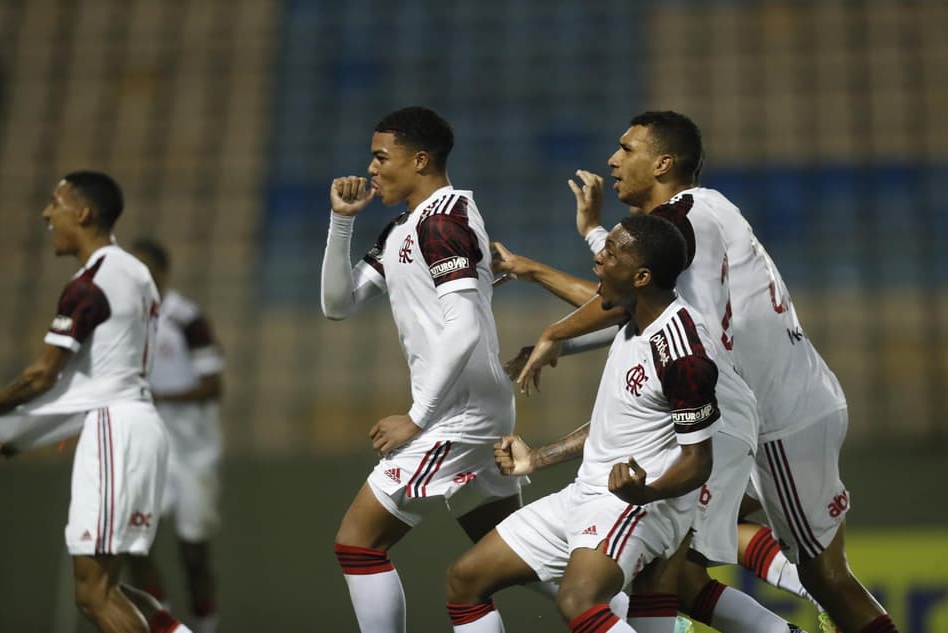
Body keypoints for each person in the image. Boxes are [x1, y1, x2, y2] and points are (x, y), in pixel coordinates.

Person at [515, 111, 898, 633]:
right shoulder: (700, 215)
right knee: (675, 569)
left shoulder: (688, 214)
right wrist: (590, 239)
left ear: (664, 162)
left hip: (778, 417)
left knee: (824, 575)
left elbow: (632, 298)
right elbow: (639, 296)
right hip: (760, 410)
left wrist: (553, 329)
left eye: (627, 149)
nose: (612, 159)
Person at [445, 214, 721, 633]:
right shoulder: (633, 319)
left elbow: (699, 461)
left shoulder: (683, 355)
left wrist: (644, 491)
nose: (598, 261)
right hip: (584, 494)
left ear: (642, 276)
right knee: (465, 579)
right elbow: (615, 425)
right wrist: (537, 458)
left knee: (579, 600)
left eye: (610, 254)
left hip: (637, 505)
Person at [319, 106, 527, 633]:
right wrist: (342, 221)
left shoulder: (443, 221)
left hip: (456, 413)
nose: (370, 167)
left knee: (358, 542)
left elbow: (464, 330)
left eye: (380, 156)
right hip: (472, 406)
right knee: (518, 553)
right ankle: (642, 621)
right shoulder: (404, 227)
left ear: (420, 159)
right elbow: (337, 305)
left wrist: (416, 417)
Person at [0, 172, 191, 633]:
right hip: (137, 427)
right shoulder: (135, 271)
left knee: (93, 594)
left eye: (54, 203)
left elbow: (43, 375)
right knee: (110, 587)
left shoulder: (90, 282)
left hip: (114, 433)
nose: (47, 214)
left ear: (82, 213)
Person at [129, 239, 224, 633]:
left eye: (148, 270)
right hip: (149, 452)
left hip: (193, 454)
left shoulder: (186, 319)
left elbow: (212, 385)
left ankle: (206, 625)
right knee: (136, 545)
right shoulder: (125, 323)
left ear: (163, 273)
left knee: (193, 553)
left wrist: (158, 396)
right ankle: (161, 622)